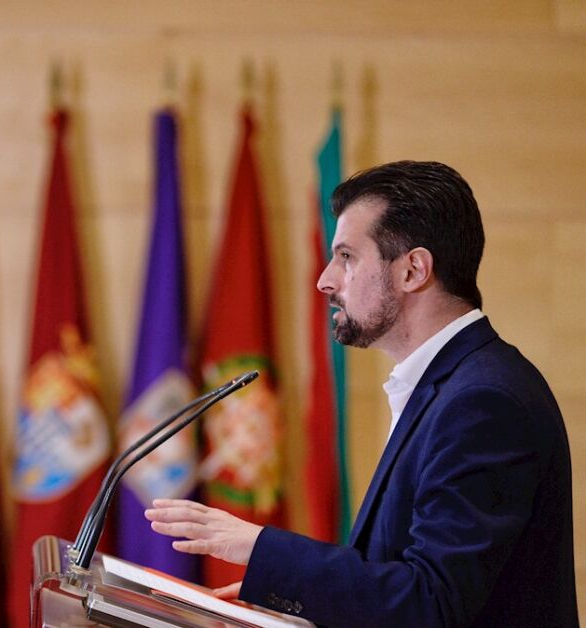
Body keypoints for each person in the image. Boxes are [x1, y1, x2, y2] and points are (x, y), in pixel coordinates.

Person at [145, 161, 577, 627]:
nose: (325, 280)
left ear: (413, 270)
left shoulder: (483, 402)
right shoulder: (453, 387)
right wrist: (294, 610)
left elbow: (432, 603)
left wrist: (260, 548)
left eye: (347, 257)